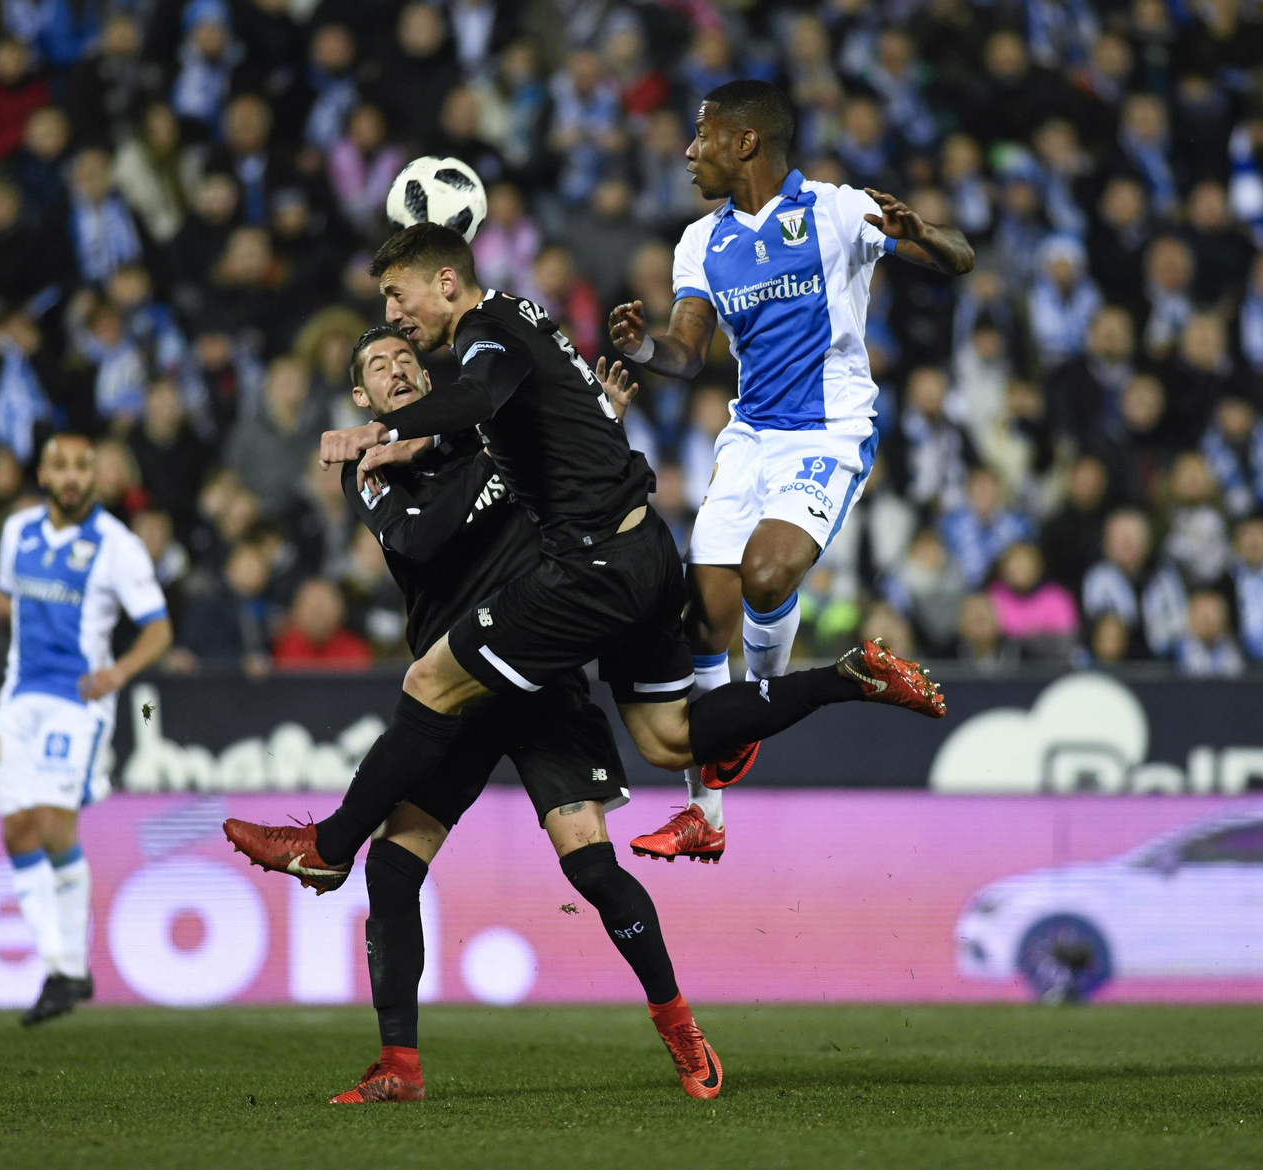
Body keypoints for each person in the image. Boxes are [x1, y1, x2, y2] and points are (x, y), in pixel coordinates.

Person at [225, 226, 942, 897]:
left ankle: (330, 845)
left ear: (445, 282)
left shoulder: (485, 335)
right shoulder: (519, 318)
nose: (392, 311)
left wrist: (382, 427)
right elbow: (522, 421)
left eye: (396, 294)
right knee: (670, 739)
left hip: (592, 567)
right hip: (645, 551)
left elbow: (478, 395)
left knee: (430, 677)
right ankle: (850, 677)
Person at [263, 325, 719, 1102]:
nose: (398, 370)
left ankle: (681, 1028)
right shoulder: (370, 469)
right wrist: (493, 463)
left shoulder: (489, 433)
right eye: (380, 367)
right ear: (361, 398)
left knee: (592, 868)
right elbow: (422, 535)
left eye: (406, 359)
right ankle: (398, 1068)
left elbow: (576, 477)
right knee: (395, 867)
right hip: (460, 691)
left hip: (539, 675)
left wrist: (595, 422)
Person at [606, 80, 971, 856]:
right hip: (749, 437)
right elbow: (688, 349)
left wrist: (922, 233)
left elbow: (961, 259)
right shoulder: (701, 241)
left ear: (745, 142)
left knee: (766, 579)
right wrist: (642, 348)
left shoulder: (836, 211)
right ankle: (705, 817)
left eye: (701, 135)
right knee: (704, 614)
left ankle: (751, 707)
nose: (687, 150)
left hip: (829, 433)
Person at [0, 432, 173, 1025]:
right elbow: (15, 598)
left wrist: (121, 671)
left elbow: (158, 629)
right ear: (44, 474)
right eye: (62, 466)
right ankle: (62, 968)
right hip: (18, 698)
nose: (73, 476)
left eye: (84, 466)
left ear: (96, 476)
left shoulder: (117, 546)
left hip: (77, 703)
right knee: (16, 829)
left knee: (54, 822)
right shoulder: (17, 531)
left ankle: (69, 967)